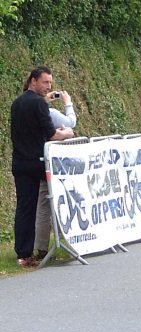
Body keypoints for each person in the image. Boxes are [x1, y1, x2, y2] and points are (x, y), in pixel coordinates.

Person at [10, 66, 74, 267]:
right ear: (33, 80)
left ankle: (23, 254)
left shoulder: (17, 103)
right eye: (45, 82)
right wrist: (68, 133)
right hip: (39, 162)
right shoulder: (39, 104)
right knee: (63, 196)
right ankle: (71, 242)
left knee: (25, 209)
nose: (48, 87)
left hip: (20, 162)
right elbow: (52, 134)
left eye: (50, 83)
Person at [34, 88, 77, 260]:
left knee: (43, 205)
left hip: (37, 160)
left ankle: (41, 247)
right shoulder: (50, 112)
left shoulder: (28, 112)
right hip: (56, 164)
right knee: (65, 200)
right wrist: (67, 102)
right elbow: (71, 122)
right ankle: (71, 241)